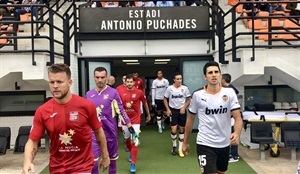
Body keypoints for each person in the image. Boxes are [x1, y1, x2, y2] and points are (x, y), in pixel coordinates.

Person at [22, 63, 110, 174]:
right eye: (52, 82)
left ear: (70, 83)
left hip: (82, 167)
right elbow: (33, 140)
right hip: (56, 168)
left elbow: (98, 131)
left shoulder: (86, 106)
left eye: (59, 82)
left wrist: (105, 156)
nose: (55, 86)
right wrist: (27, 161)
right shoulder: (42, 111)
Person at [182, 61, 243, 174]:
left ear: (220, 74)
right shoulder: (197, 95)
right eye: (210, 73)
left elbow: (238, 117)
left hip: (224, 143)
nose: (213, 75)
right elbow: (190, 119)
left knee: (221, 172)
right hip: (205, 142)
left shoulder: (230, 93)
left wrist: (237, 133)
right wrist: (185, 142)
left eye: (216, 72)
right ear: (205, 76)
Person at [86, 67, 136, 174]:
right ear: (94, 78)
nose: (100, 80)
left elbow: (121, 110)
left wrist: (129, 125)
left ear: (106, 78)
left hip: (110, 132)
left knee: (112, 162)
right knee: (93, 163)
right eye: (97, 77)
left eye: (102, 77)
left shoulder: (113, 92)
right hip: (94, 133)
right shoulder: (89, 94)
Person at [118, 74, 151, 173]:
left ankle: (133, 163)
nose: (129, 83)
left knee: (135, 141)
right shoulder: (120, 91)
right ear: (125, 82)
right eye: (127, 81)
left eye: (131, 82)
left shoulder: (139, 92)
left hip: (136, 120)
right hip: (125, 120)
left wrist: (148, 114)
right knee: (127, 140)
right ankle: (131, 153)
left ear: (134, 82)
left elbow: (145, 103)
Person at [163, 72, 191, 158]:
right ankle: (174, 146)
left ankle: (180, 149)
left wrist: (184, 107)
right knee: (174, 129)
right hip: (173, 111)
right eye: (178, 79)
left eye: (180, 79)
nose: (179, 80)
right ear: (174, 80)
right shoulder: (170, 88)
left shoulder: (185, 88)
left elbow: (189, 99)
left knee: (181, 129)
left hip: (182, 111)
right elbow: (165, 98)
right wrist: (167, 109)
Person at [221, 73, 240, 163]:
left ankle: (234, 155)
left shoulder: (229, 90)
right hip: (230, 116)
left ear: (224, 80)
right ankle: (231, 153)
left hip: (232, 117)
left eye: (221, 79)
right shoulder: (231, 88)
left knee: (233, 135)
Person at [151, 69, 169, 133]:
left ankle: (162, 121)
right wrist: (153, 101)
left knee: (166, 113)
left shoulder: (166, 81)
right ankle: (159, 127)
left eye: (160, 73)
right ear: (156, 74)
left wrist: (168, 98)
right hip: (157, 99)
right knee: (158, 113)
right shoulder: (155, 81)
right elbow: (153, 91)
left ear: (162, 74)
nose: (159, 74)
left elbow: (168, 90)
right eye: (158, 73)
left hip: (164, 99)